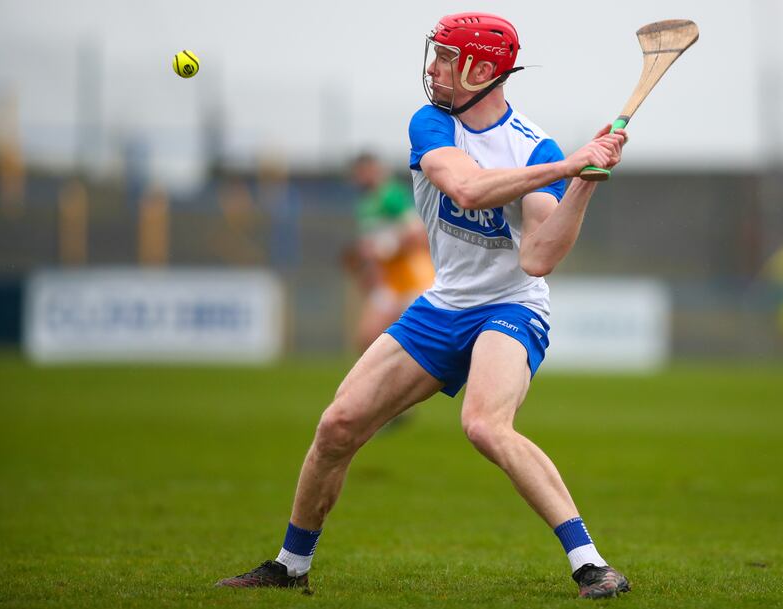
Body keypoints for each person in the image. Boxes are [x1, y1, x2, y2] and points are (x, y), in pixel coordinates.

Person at [216, 12, 630, 599]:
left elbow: (539, 256)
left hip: (511, 307)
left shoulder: (536, 146)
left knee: (485, 425)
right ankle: (290, 567)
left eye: (444, 58)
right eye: (434, 55)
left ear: (483, 69)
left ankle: (591, 564)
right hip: (441, 306)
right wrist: (567, 166)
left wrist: (584, 180)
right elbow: (463, 187)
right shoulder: (433, 124)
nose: (432, 68)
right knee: (337, 425)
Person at [344, 152, 435, 353]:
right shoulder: (365, 205)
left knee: (421, 345)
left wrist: (385, 247)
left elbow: (418, 235)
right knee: (367, 337)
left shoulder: (392, 195)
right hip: (390, 282)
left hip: (414, 278)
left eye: (364, 172)